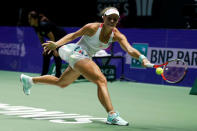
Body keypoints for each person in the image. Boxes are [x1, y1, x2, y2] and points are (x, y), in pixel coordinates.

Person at [21, 7, 151, 126]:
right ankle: (112, 115)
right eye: (109, 18)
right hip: (77, 53)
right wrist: (56, 44)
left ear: (117, 21)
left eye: (115, 19)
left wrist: (142, 58)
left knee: (61, 82)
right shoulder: (92, 27)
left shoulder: (117, 35)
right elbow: (72, 35)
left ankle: (30, 80)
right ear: (103, 18)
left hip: (83, 58)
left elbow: (129, 49)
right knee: (101, 80)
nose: (112, 20)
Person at [28, 11, 67, 78]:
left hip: (61, 37)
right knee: (46, 54)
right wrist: (44, 48)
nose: (29, 21)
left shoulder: (43, 25)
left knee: (56, 55)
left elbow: (52, 37)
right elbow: (41, 38)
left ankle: (58, 75)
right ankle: (44, 75)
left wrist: (54, 50)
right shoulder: (35, 27)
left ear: (35, 19)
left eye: (30, 19)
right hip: (54, 40)